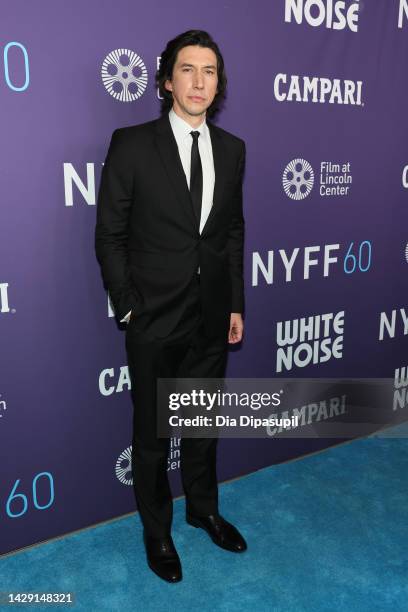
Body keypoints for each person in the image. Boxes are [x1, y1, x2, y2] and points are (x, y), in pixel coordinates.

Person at [95, 29, 246, 583]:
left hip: (211, 313)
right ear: (166, 80)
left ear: (218, 83)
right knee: (155, 433)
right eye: (188, 69)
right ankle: (156, 530)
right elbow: (109, 234)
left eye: (209, 71)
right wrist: (129, 308)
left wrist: (234, 302)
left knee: (203, 424)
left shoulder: (233, 150)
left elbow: (231, 232)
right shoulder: (132, 143)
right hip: (152, 317)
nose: (199, 80)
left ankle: (203, 509)